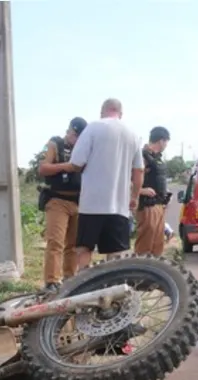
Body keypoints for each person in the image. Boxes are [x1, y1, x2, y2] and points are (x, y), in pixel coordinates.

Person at [68, 98, 144, 268]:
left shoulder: (93, 127)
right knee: (116, 253)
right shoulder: (132, 134)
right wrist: (135, 197)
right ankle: (113, 288)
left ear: (102, 111)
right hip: (119, 206)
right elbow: (138, 171)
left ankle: (84, 286)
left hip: (91, 204)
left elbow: (76, 163)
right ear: (121, 113)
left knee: (84, 249)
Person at [37, 117, 88, 293]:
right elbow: (43, 168)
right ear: (70, 132)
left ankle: (69, 278)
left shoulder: (84, 149)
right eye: (76, 137)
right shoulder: (55, 144)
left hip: (78, 202)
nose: (77, 141)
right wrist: (66, 167)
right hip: (57, 200)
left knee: (74, 245)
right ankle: (51, 281)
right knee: (56, 242)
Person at [133, 126, 172, 256]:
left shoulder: (158, 158)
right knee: (145, 245)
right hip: (147, 205)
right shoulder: (142, 156)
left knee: (157, 245)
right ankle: (139, 274)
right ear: (161, 141)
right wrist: (142, 191)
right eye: (166, 141)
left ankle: (153, 274)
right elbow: (126, 179)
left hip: (159, 205)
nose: (166, 145)